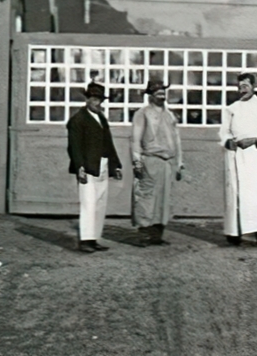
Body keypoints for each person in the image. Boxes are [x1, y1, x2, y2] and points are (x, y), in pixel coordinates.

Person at [219, 72, 257, 247]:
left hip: (255, 157)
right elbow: (224, 132)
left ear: (254, 86)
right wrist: (228, 141)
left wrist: (253, 140)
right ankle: (234, 233)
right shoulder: (231, 109)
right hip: (236, 156)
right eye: (240, 86)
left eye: (246, 86)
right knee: (236, 196)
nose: (242, 89)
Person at [67, 81, 123, 253]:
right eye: (94, 99)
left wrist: (116, 165)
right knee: (88, 203)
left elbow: (108, 144)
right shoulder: (78, 120)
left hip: (103, 165)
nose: (97, 103)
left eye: (100, 99)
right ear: (87, 100)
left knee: (100, 203)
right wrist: (80, 168)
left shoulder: (101, 118)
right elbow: (74, 147)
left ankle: (94, 238)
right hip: (88, 167)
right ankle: (85, 240)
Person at [130, 77, 183, 247]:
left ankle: (157, 235)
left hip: (166, 163)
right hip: (150, 160)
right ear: (150, 95)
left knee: (163, 200)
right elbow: (135, 139)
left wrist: (179, 163)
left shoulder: (169, 115)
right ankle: (144, 234)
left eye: (163, 92)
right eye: (157, 92)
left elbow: (177, 140)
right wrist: (137, 162)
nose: (161, 95)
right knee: (146, 197)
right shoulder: (142, 113)